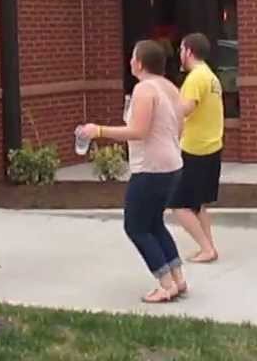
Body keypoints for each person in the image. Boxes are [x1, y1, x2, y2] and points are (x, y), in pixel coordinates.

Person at [79, 40, 187, 304]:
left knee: (136, 226)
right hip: (172, 163)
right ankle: (178, 279)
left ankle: (165, 285)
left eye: (132, 57)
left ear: (139, 63)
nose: (129, 62)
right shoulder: (170, 88)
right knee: (154, 223)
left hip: (151, 168)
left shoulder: (144, 89)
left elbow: (138, 131)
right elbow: (180, 126)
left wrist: (98, 131)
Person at [167, 32, 224, 264]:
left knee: (177, 204)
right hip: (211, 146)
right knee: (197, 205)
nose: (179, 54)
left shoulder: (195, 78)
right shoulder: (210, 76)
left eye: (181, 49)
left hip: (194, 149)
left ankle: (206, 248)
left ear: (189, 51)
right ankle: (209, 247)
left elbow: (186, 109)